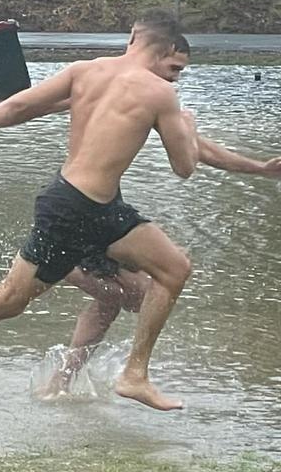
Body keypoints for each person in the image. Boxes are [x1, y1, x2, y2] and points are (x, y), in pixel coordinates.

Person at [0, 9, 199, 411]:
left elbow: (19, 106)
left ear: (133, 37)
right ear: (167, 48)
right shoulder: (159, 93)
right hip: (80, 209)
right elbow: (184, 167)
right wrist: (186, 126)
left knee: (15, 299)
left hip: (77, 201)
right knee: (13, 298)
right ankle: (134, 374)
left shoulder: (86, 71)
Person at [46, 136, 281, 397]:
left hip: (98, 210)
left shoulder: (148, 101)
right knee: (137, 293)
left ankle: (61, 383)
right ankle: (126, 375)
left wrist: (260, 168)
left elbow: (192, 143)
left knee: (116, 295)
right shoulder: (129, 98)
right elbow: (187, 158)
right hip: (81, 211)